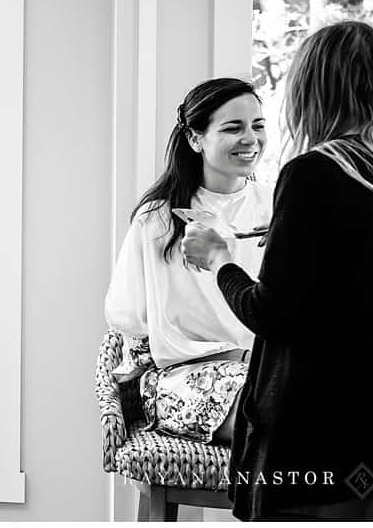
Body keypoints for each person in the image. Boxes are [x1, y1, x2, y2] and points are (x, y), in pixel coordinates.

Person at [183, 21, 373, 520]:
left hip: (320, 439)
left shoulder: (313, 173)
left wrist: (218, 258)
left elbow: (272, 315)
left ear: (311, 87)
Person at [104, 78, 273, 444]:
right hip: (185, 379)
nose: (251, 139)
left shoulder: (278, 206)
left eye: (258, 126)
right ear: (196, 139)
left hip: (266, 370)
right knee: (268, 417)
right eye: (233, 127)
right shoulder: (158, 219)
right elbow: (127, 316)